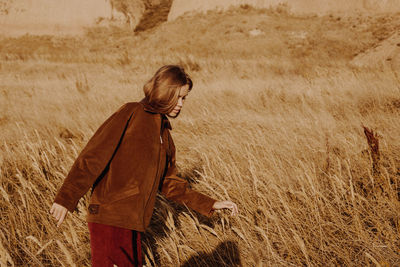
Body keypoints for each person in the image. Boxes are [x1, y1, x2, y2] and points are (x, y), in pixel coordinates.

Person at [50, 65, 239, 267]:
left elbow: (169, 183)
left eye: (184, 98)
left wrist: (210, 203)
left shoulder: (164, 133)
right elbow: (93, 155)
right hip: (109, 216)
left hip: (133, 221)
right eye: (178, 97)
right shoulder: (132, 112)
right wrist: (65, 198)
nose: (181, 104)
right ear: (164, 91)